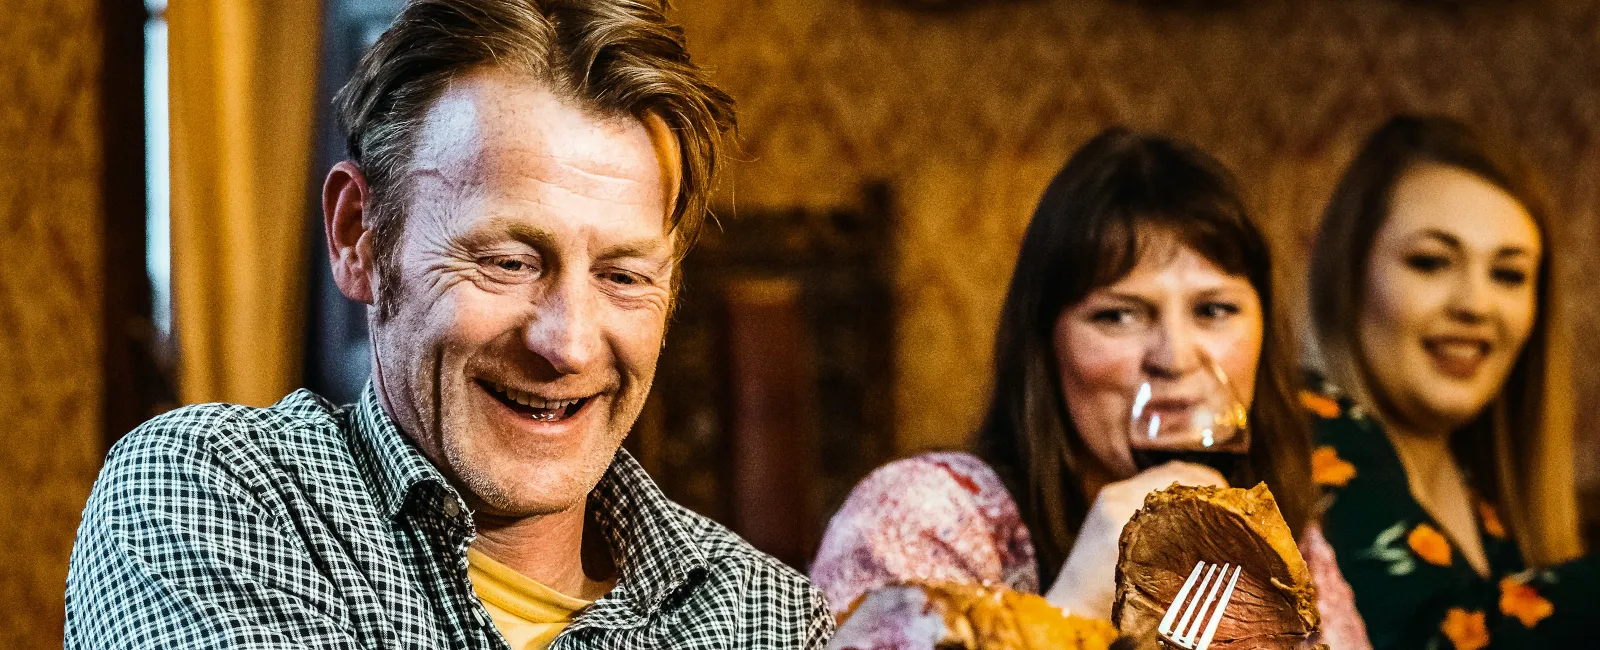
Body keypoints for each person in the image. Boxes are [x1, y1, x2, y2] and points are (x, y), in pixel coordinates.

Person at [64, 1, 834, 648]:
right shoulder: (208, 498)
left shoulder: (763, 615)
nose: (567, 344)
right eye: (507, 261)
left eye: (623, 276)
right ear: (359, 236)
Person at [812, 128, 1368, 648]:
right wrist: (1083, 599)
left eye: (1214, 310)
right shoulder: (922, 521)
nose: (1173, 358)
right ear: (1045, 342)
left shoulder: (1283, 543)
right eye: (1118, 316)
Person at [1305, 115, 1598, 649]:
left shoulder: (1483, 485)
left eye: (1508, 274)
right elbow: (1433, 637)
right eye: (1431, 262)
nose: (1475, 305)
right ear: (1348, 277)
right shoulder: (1305, 426)